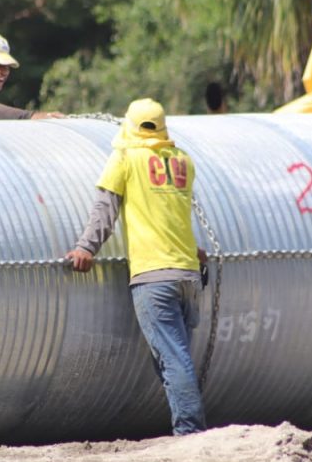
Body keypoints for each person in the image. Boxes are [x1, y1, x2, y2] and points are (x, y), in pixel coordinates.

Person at [65, 98, 207, 436]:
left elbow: (104, 211)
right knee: (174, 358)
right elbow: (171, 214)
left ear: (129, 125)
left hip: (154, 276)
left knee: (173, 359)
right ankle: (188, 426)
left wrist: (86, 248)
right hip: (188, 274)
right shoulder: (183, 160)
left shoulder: (125, 158)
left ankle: (190, 431)